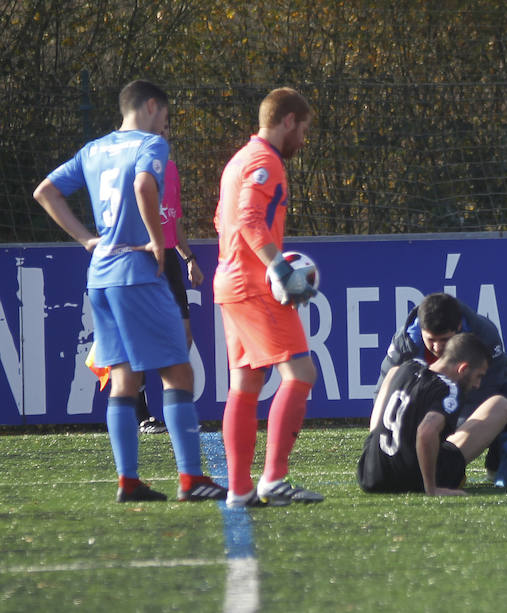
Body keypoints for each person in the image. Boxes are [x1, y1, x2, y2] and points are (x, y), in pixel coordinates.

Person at [32, 79, 226, 503]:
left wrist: (87, 239)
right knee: (178, 371)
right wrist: (159, 240)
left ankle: (129, 481)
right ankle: (191, 479)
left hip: (100, 274)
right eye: (167, 118)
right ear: (152, 106)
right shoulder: (150, 146)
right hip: (137, 273)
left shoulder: (94, 149)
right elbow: (143, 187)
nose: (165, 127)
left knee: (123, 377)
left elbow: (44, 191)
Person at [213, 87, 324, 508]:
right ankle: (273, 480)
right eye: (304, 128)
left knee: (244, 383)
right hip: (254, 284)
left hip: (231, 281)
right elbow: (247, 219)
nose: (304, 139)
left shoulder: (239, 159)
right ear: (289, 121)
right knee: (300, 374)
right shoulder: (264, 161)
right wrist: (279, 270)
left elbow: (223, 218)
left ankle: (240, 489)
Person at [375, 292, 507, 477]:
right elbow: (383, 393)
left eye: (444, 340)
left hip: (466, 403)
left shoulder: (483, 335)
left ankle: (497, 461)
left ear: (458, 328)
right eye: (431, 340)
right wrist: (377, 447)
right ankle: (430, 465)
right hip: (428, 408)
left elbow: (484, 393)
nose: (437, 347)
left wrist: (446, 444)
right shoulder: (406, 341)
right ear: (421, 330)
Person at [359, 332, 492, 495]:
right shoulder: (450, 389)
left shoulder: (406, 367)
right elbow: (426, 431)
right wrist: (431, 489)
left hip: (370, 475)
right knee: (502, 404)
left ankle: (374, 445)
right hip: (411, 480)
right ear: (463, 368)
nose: (478, 384)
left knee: (393, 372)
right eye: (479, 376)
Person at [136, 120, 205, 434]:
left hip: (171, 261)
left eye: (166, 129)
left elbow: (173, 219)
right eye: (158, 129)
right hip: (142, 259)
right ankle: (142, 415)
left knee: (183, 335)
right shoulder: (135, 170)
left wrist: (189, 258)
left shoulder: (172, 169)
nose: (165, 134)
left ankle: (176, 413)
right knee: (137, 342)